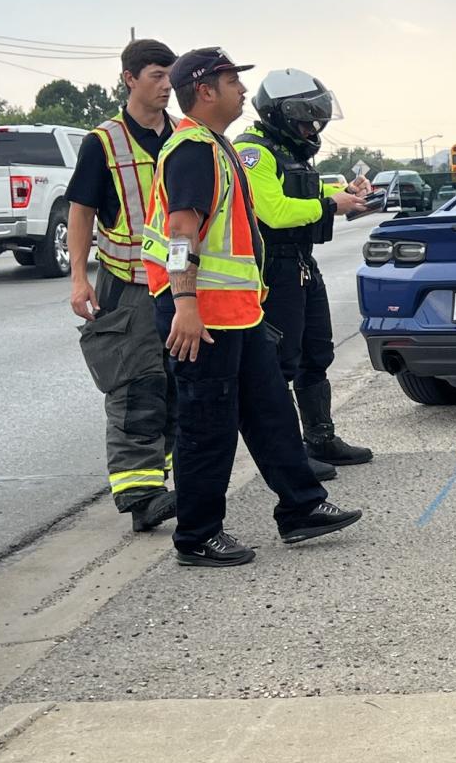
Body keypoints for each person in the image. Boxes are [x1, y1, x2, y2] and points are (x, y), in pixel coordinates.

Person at [142, 47, 362, 567]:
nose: (243, 91)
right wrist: (185, 304)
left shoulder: (218, 148)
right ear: (205, 90)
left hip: (238, 314)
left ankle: (301, 508)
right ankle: (197, 536)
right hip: (202, 318)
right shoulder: (193, 150)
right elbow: (179, 234)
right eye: (232, 81)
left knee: (270, 412)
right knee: (206, 428)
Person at [65, 38, 180, 533]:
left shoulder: (186, 136)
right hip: (128, 281)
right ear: (130, 79)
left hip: (181, 283)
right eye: (156, 76)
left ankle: (164, 481)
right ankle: (140, 497)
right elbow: (81, 212)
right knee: (135, 385)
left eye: (170, 76)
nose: (166, 86)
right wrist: (78, 279)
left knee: (177, 386)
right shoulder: (103, 142)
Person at [235, 69, 373, 468]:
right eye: (306, 120)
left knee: (317, 352)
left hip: (301, 263)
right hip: (272, 268)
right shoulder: (253, 152)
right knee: (280, 363)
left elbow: (305, 190)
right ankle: (287, 453)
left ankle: (321, 438)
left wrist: (344, 194)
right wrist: (332, 206)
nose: (313, 128)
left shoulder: (288, 153)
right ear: (280, 114)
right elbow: (273, 211)